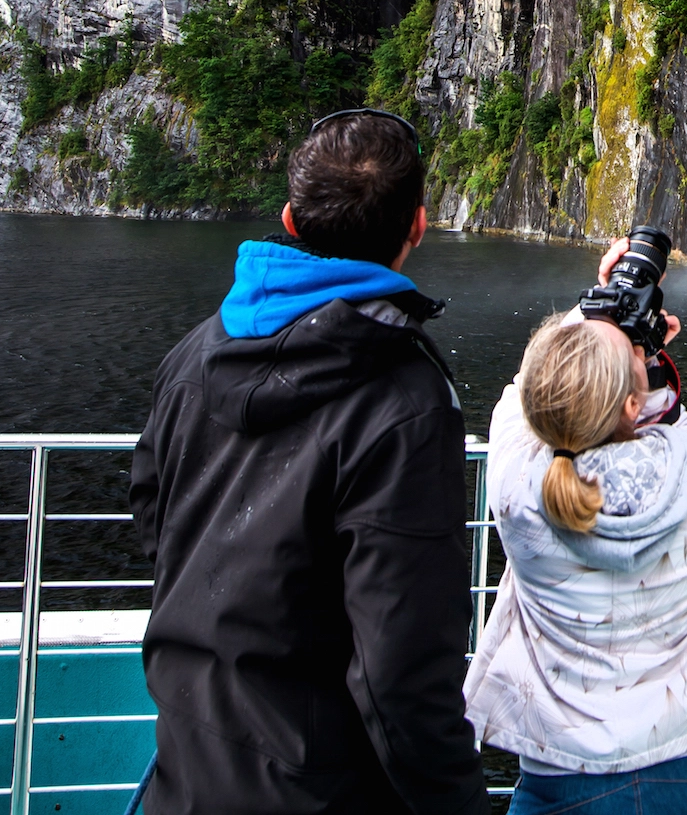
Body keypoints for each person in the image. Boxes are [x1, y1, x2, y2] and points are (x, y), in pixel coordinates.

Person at [129, 109, 489, 815]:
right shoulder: (406, 402)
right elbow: (402, 670)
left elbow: (153, 512)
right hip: (325, 787)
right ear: (417, 227)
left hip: (189, 767)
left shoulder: (194, 353)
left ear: (291, 221)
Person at [464, 273, 687, 815]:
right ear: (634, 405)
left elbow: (522, 394)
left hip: (560, 778)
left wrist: (593, 313)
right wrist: (641, 349)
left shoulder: (517, 495)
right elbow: (673, 422)